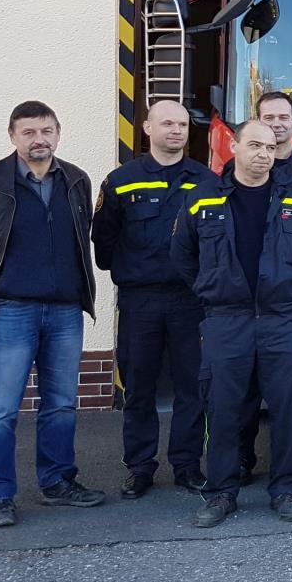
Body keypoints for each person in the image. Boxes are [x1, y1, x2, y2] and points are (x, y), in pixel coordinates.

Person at [0, 100, 104, 528]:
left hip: (65, 311)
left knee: (61, 404)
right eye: (29, 132)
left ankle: (57, 482)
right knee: (1, 409)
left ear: (58, 133)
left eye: (46, 131)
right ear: (12, 136)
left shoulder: (76, 180)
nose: (39, 140)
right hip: (11, 310)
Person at [172, 121, 292, 528]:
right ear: (235, 147)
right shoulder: (202, 197)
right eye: (254, 145)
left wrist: (286, 285)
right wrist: (214, 288)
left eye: (271, 147)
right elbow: (183, 255)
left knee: (290, 409)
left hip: (283, 318)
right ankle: (221, 493)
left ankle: (288, 489)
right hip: (227, 319)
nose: (263, 153)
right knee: (222, 409)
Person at [92, 100, 215, 500]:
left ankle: (187, 465)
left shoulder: (206, 180)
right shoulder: (121, 180)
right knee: (139, 387)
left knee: (192, 387)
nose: (176, 130)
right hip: (140, 300)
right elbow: (103, 240)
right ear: (147, 128)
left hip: (190, 300)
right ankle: (139, 468)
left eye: (182, 124)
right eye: (167, 123)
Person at [237, 90, 292, 481]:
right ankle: (236, 466)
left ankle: (291, 479)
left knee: (290, 398)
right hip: (237, 308)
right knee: (237, 393)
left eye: (283, 118)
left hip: (286, 305)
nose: (276, 126)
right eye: (267, 118)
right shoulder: (221, 186)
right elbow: (190, 253)